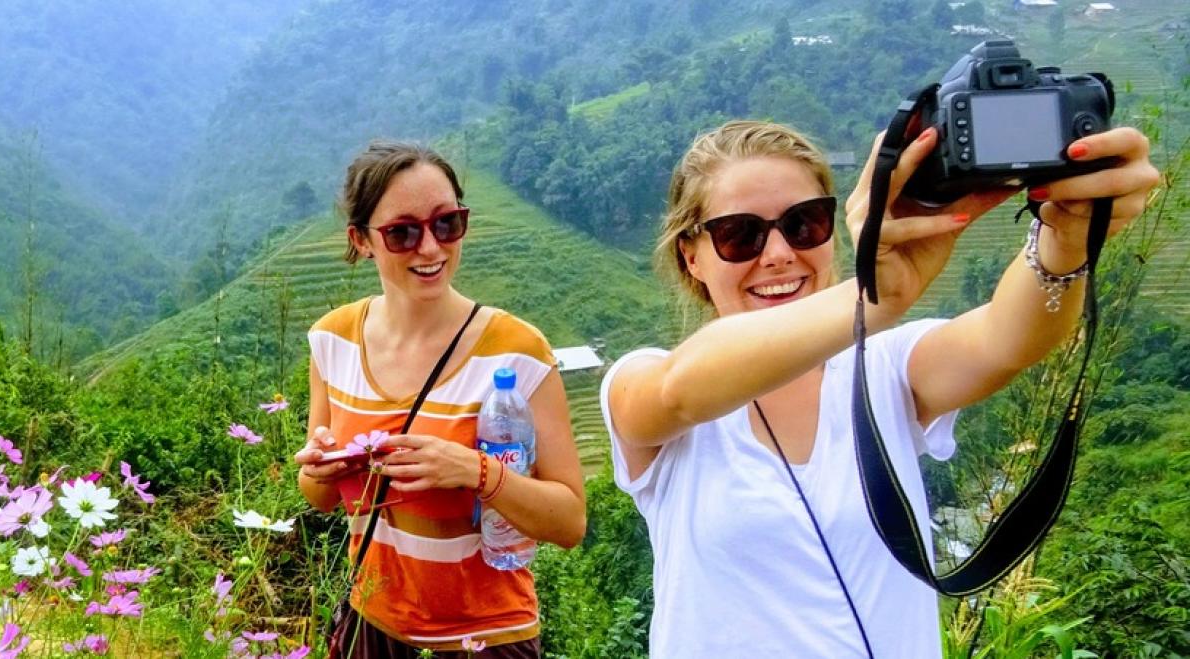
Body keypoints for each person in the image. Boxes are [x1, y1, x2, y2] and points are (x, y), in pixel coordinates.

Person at [601, 120, 1158, 656]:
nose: (777, 255)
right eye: (738, 234)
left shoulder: (884, 367)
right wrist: (872, 297)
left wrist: (1066, 237)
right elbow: (679, 390)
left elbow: (1007, 339)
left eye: (804, 224)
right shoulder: (639, 379)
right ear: (691, 256)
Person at [294, 141, 587, 657]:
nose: (430, 248)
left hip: (486, 638)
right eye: (403, 232)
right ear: (361, 240)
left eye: (447, 224)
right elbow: (318, 498)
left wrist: (476, 472)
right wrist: (320, 469)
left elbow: (568, 523)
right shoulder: (332, 341)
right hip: (371, 625)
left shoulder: (518, 353)